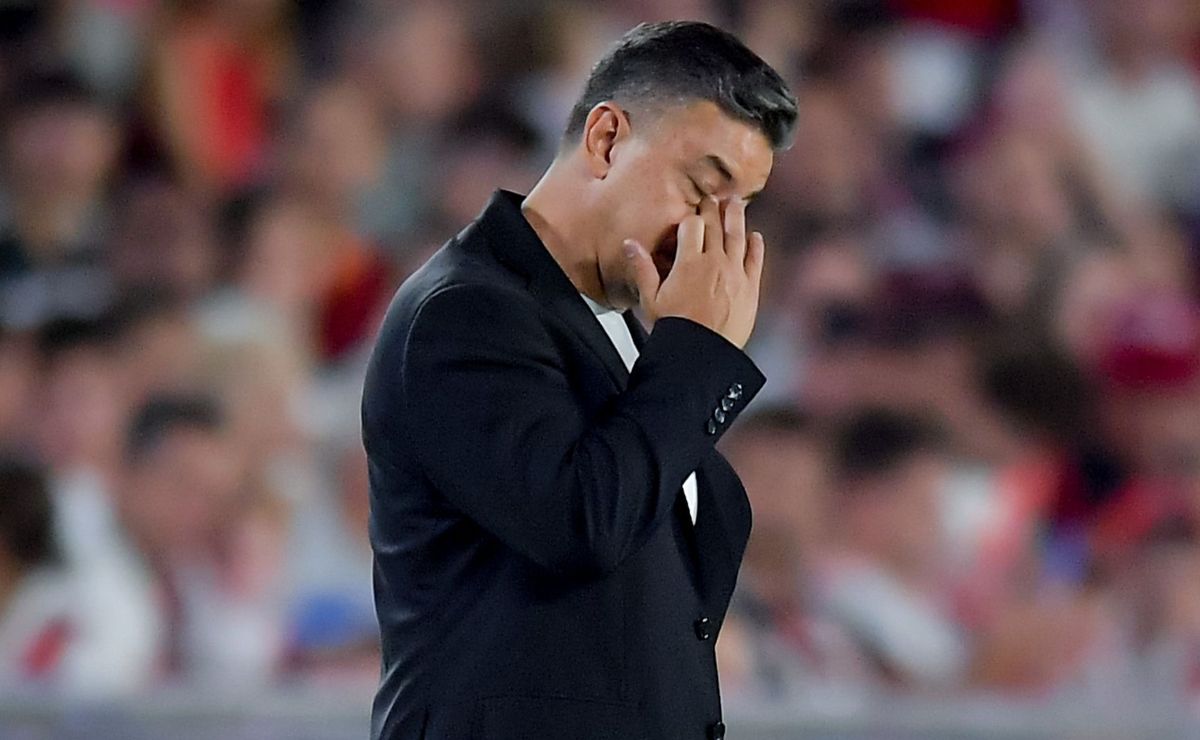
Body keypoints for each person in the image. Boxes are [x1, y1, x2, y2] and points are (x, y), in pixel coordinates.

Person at [361, 20, 797, 740]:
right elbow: (581, 522)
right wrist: (699, 350)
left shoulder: (628, 332)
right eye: (701, 188)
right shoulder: (464, 312)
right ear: (606, 139)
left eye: (738, 208)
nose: (711, 236)